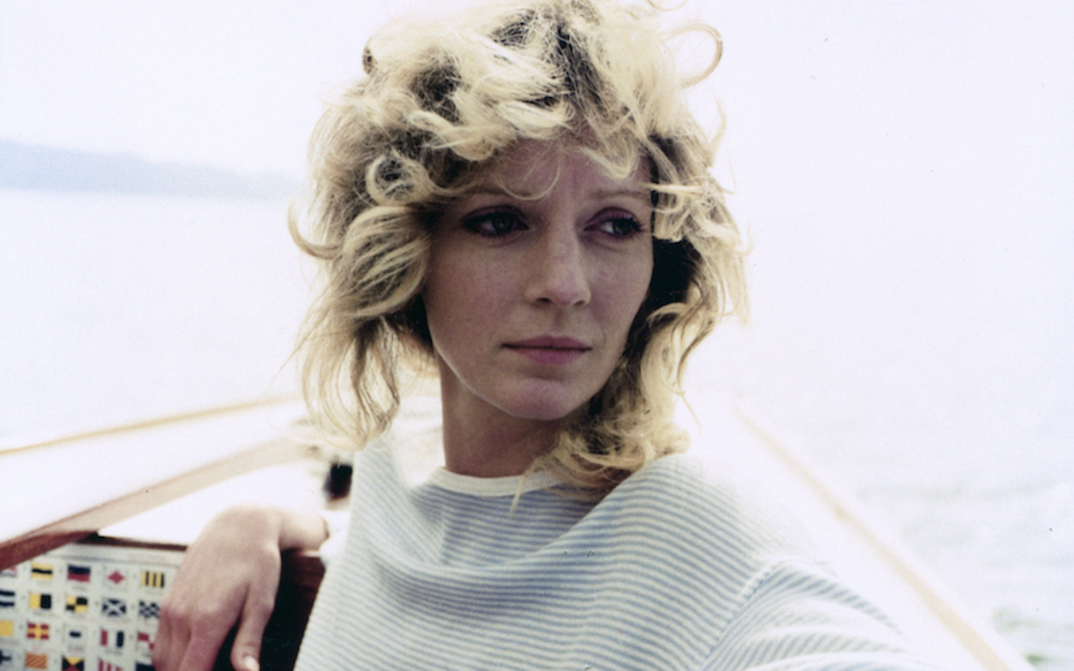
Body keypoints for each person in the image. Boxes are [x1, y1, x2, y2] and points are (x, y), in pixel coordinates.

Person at [155, 0, 937, 669]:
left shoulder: (703, 529)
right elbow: (446, 529)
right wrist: (256, 520)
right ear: (405, 253)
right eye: (501, 220)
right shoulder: (391, 472)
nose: (565, 281)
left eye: (615, 224)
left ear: (659, 264)